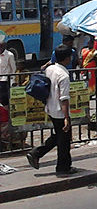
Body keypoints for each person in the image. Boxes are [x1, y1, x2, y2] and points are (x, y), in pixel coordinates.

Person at [26, 44, 74, 175]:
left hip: (50, 107)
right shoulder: (64, 75)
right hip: (59, 111)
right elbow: (64, 98)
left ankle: (36, 153)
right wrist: (66, 117)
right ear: (67, 59)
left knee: (60, 136)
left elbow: (43, 69)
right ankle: (63, 167)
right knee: (63, 140)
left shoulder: (50, 69)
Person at [0, 39, 16, 106]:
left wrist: (12, 79)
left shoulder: (10, 55)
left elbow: (13, 68)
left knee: (4, 99)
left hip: (5, 80)